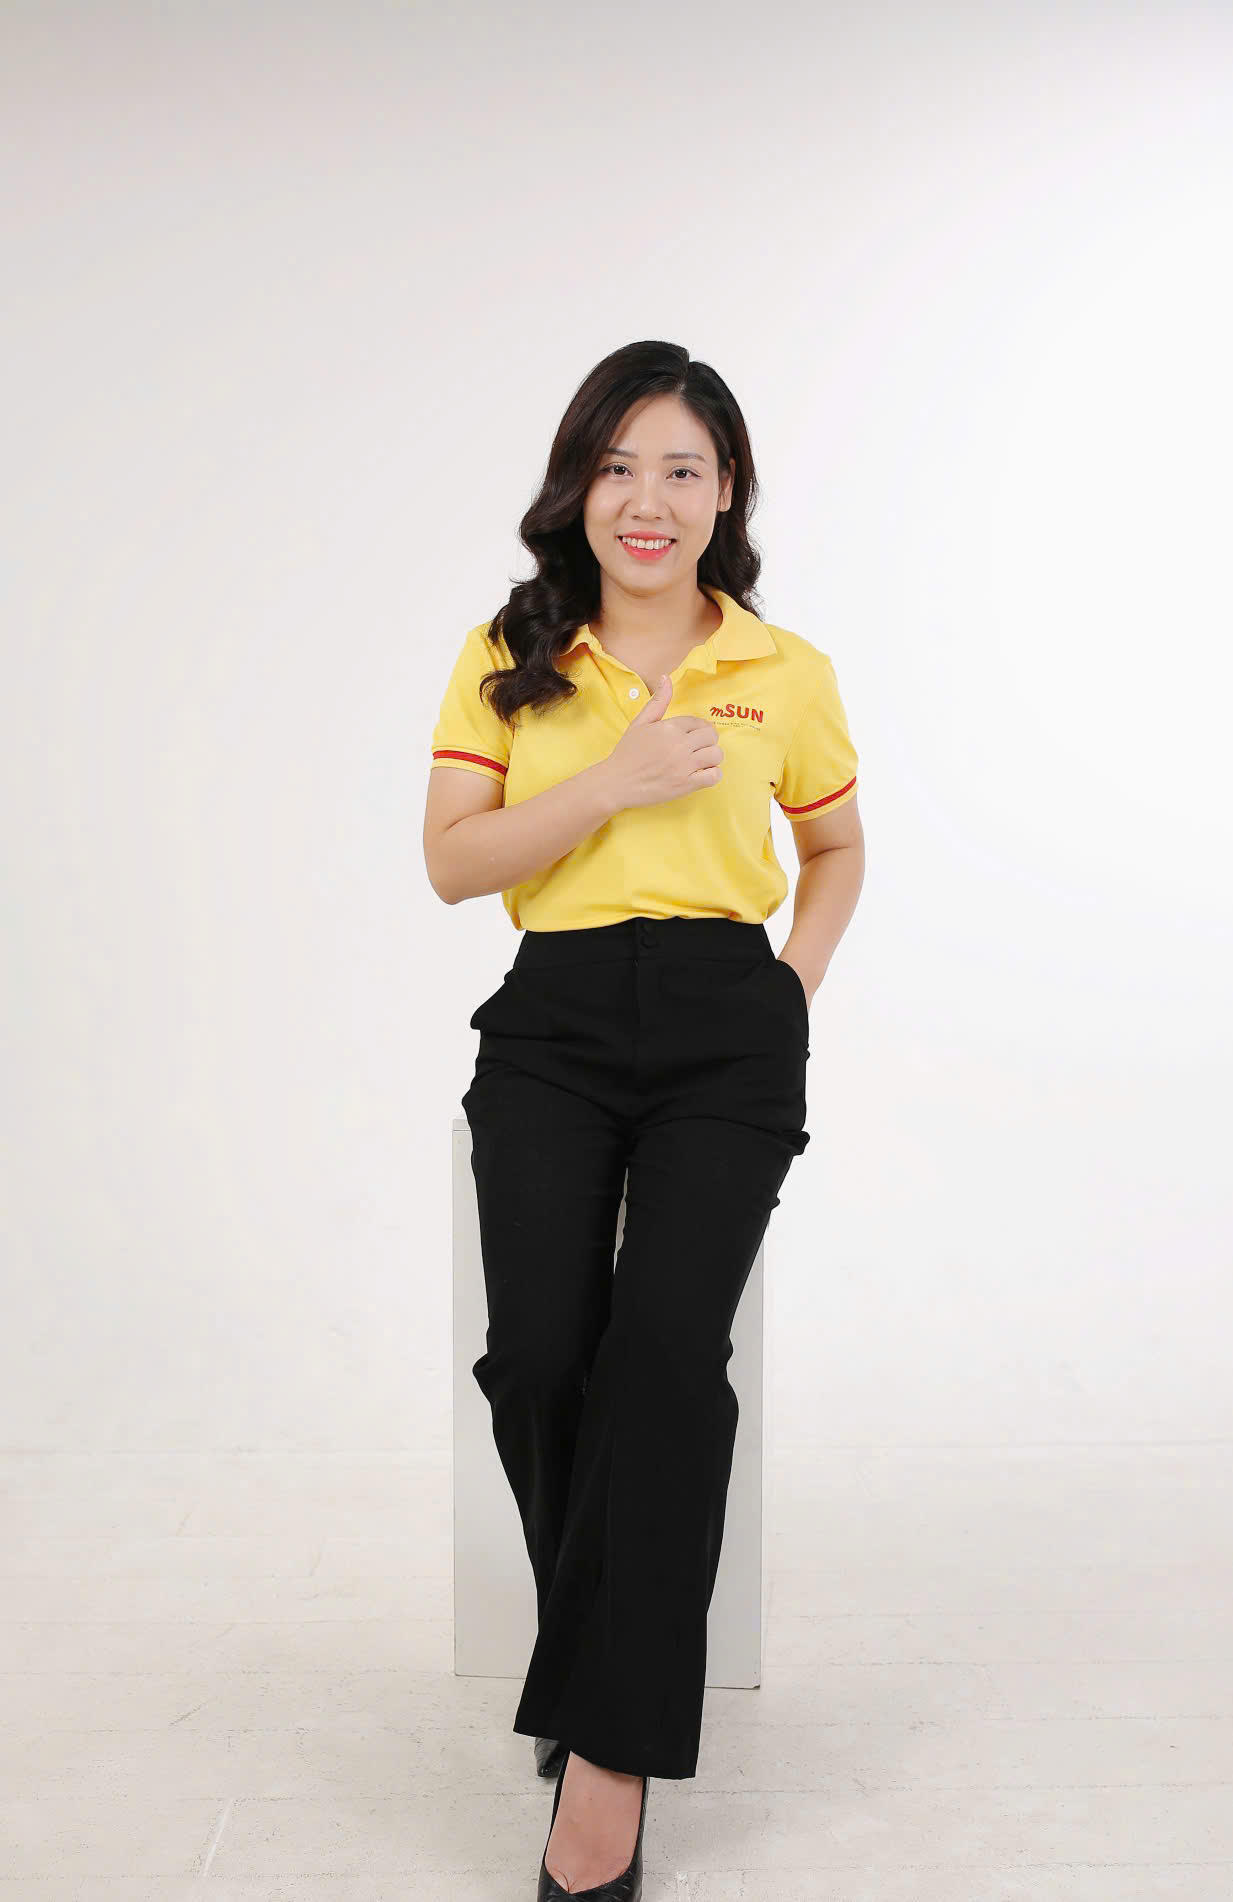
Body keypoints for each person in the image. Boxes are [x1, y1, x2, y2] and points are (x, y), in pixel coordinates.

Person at [423, 339, 864, 1899]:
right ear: (579, 485)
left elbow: (835, 850)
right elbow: (455, 862)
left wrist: (785, 992)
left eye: (681, 467)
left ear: (725, 489)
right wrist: (610, 781)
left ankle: (606, 1755)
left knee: (668, 1352)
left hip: (723, 1026)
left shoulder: (782, 669)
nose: (647, 499)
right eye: (617, 466)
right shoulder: (509, 651)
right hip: (551, 1017)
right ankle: (601, 1645)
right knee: (541, 1353)